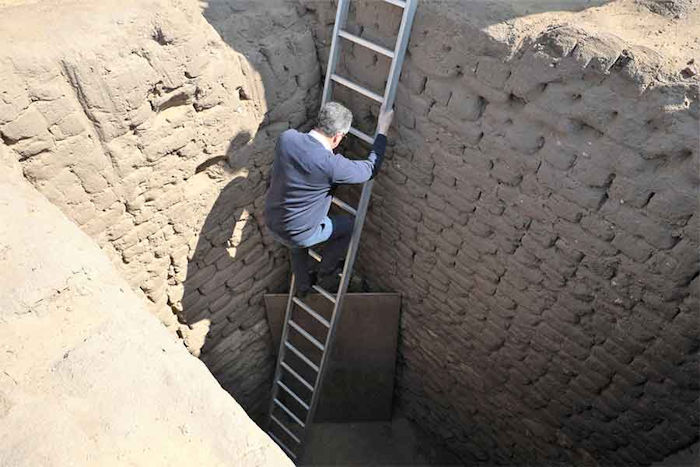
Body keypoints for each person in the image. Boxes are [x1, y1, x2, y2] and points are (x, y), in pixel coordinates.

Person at [264, 102, 394, 296]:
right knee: (348, 225)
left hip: (273, 221)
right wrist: (382, 130)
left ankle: (303, 287)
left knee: (296, 240)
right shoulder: (331, 165)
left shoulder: (287, 138)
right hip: (298, 232)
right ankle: (327, 272)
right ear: (337, 137)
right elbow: (370, 169)